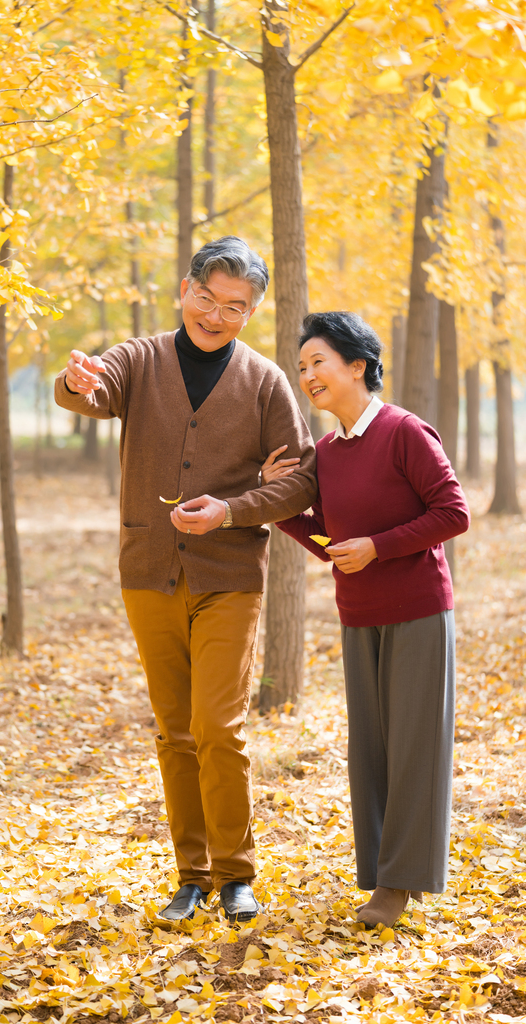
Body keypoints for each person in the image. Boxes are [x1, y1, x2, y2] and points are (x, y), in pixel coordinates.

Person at [54, 237, 318, 923]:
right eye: (207, 297)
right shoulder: (139, 359)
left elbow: (300, 480)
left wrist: (232, 510)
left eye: (235, 306)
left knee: (216, 727)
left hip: (229, 575)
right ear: (184, 290)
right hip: (148, 571)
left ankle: (236, 875)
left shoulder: (264, 381)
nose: (216, 314)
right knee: (174, 731)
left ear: (251, 312)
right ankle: (190, 876)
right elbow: (95, 388)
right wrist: (77, 382)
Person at [265, 311, 470, 928]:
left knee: (413, 749)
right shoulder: (326, 452)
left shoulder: (406, 432)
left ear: (358, 366)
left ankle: (401, 885)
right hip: (358, 617)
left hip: (417, 614)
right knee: (371, 751)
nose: (307, 376)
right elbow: (329, 539)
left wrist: (379, 546)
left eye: (318, 362)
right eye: (301, 367)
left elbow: (454, 512)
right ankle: (378, 871)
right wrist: (277, 502)